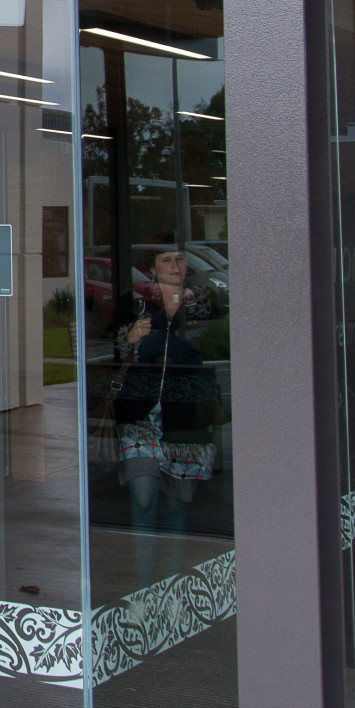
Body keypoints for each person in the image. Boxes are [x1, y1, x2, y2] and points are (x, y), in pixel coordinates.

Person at [111, 245, 217, 591]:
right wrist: (130, 338)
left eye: (180, 259)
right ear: (152, 269)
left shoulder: (201, 301)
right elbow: (109, 348)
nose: (176, 265)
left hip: (182, 415)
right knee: (143, 497)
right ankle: (143, 586)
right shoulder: (136, 301)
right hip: (140, 415)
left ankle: (169, 588)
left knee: (175, 505)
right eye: (166, 260)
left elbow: (216, 349)